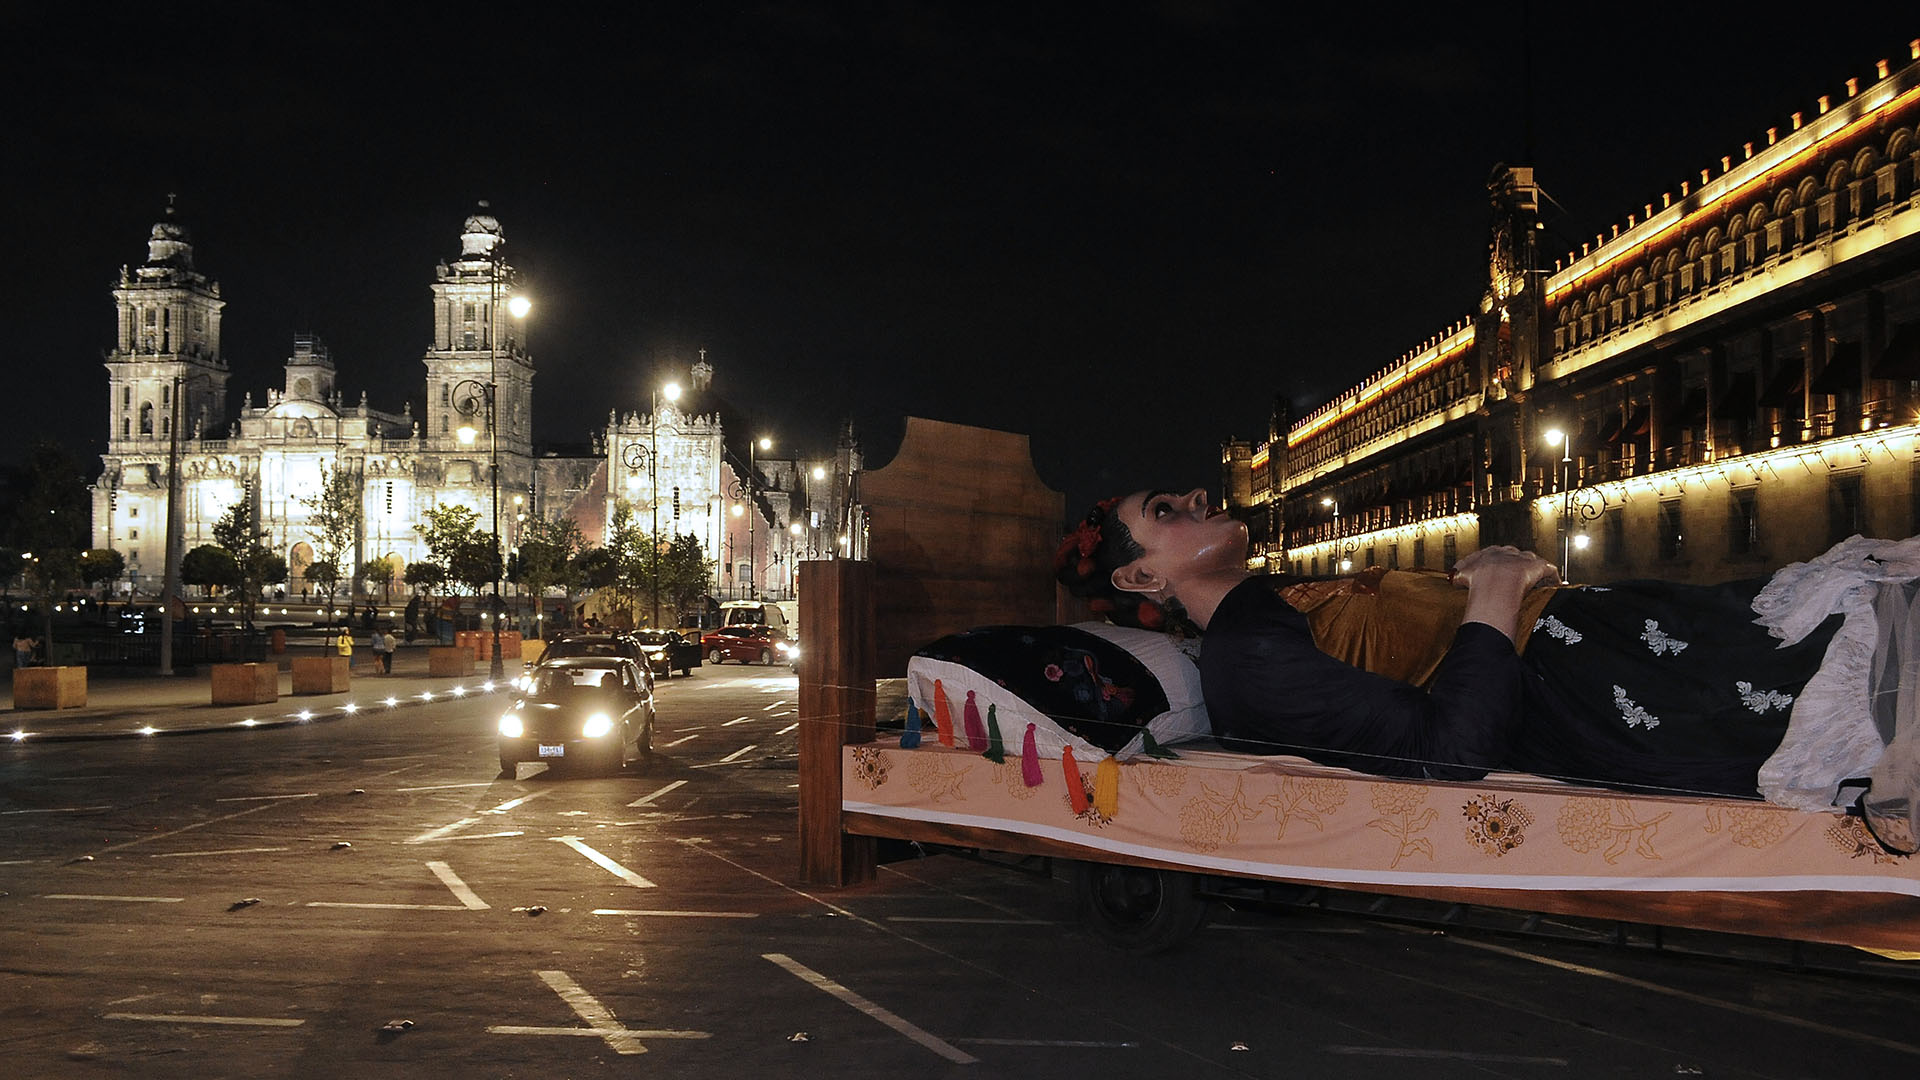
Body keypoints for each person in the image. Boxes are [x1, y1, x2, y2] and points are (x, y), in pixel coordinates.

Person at [1055, 487, 1870, 813]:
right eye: (1165, 509)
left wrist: (1514, 583)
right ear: (1141, 575)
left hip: (1631, 641)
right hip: (1622, 697)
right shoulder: (1248, 658)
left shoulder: (1274, 601)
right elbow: (1447, 753)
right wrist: (1495, 594)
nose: (1198, 495)